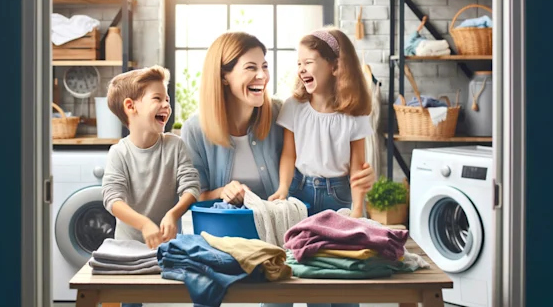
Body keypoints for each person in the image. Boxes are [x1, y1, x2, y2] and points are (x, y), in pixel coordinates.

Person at [182, 31, 376, 207]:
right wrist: (222, 192)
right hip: (224, 232)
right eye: (251, 67)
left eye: (264, 67)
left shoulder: (279, 114)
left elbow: (315, 156)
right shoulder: (195, 130)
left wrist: (361, 176)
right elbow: (193, 195)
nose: (262, 76)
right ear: (224, 76)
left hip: (277, 231)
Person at [101, 66, 201, 306]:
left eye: (167, 99)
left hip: (169, 247)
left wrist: (173, 213)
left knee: (189, 293)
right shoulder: (119, 153)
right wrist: (145, 224)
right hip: (128, 249)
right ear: (130, 106)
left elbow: (192, 187)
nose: (167, 105)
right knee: (131, 301)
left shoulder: (175, 146)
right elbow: (112, 199)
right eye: (157, 98)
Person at [269, 26, 373, 222]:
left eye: (308, 62)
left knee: (336, 247)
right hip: (299, 191)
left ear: (334, 67)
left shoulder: (354, 115)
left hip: (339, 194)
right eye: (299, 63)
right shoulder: (293, 107)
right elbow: (289, 154)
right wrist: (283, 187)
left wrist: (357, 210)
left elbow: (357, 167)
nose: (301, 69)